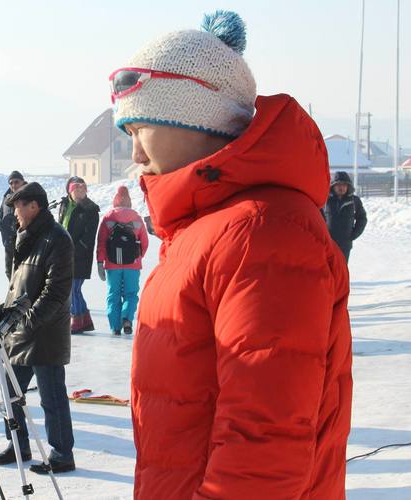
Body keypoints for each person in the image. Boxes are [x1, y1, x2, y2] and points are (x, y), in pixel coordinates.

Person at [111, 11, 352, 498]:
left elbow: (264, 442)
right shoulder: (208, 229)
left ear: (198, 118)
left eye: (140, 129)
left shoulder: (260, 232)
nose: (135, 154)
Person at [0, 182, 76, 475]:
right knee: (10, 392)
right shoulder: (26, 236)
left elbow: (56, 290)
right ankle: (18, 444)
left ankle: (62, 454)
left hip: (44, 332)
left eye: (18, 207)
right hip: (19, 330)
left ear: (34, 206)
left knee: (51, 396)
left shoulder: (57, 238)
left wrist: (29, 320)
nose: (14, 213)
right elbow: (19, 282)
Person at [96, 186, 149, 335]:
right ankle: (126, 318)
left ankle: (115, 327)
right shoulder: (136, 218)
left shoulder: (108, 218)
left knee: (113, 294)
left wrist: (100, 262)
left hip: (112, 264)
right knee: (131, 293)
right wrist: (137, 257)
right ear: (129, 201)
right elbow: (145, 242)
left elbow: (101, 242)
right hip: (133, 265)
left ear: (115, 200)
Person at [57, 176, 99, 333]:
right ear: (70, 191)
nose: (81, 191)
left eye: (83, 188)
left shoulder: (91, 209)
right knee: (73, 289)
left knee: (72, 288)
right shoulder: (64, 204)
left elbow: (89, 235)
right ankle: (84, 320)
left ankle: (76, 319)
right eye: (77, 188)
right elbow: (60, 224)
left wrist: (77, 248)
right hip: (63, 252)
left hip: (80, 254)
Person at [323, 171, 367, 261]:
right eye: (338, 185)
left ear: (348, 186)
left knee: (342, 268)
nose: (341, 187)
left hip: (345, 245)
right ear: (333, 186)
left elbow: (362, 218)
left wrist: (354, 234)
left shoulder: (354, 201)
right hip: (328, 243)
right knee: (327, 267)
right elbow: (318, 217)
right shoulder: (325, 200)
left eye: (344, 185)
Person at [0, 170, 27, 280]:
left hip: (23, 241)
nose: (13, 185)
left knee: (23, 272)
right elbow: (0, 211)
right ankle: (12, 290)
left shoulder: (28, 195)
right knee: (9, 271)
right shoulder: (7, 196)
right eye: (11, 183)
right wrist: (0, 224)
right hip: (8, 240)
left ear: (22, 182)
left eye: (16, 182)